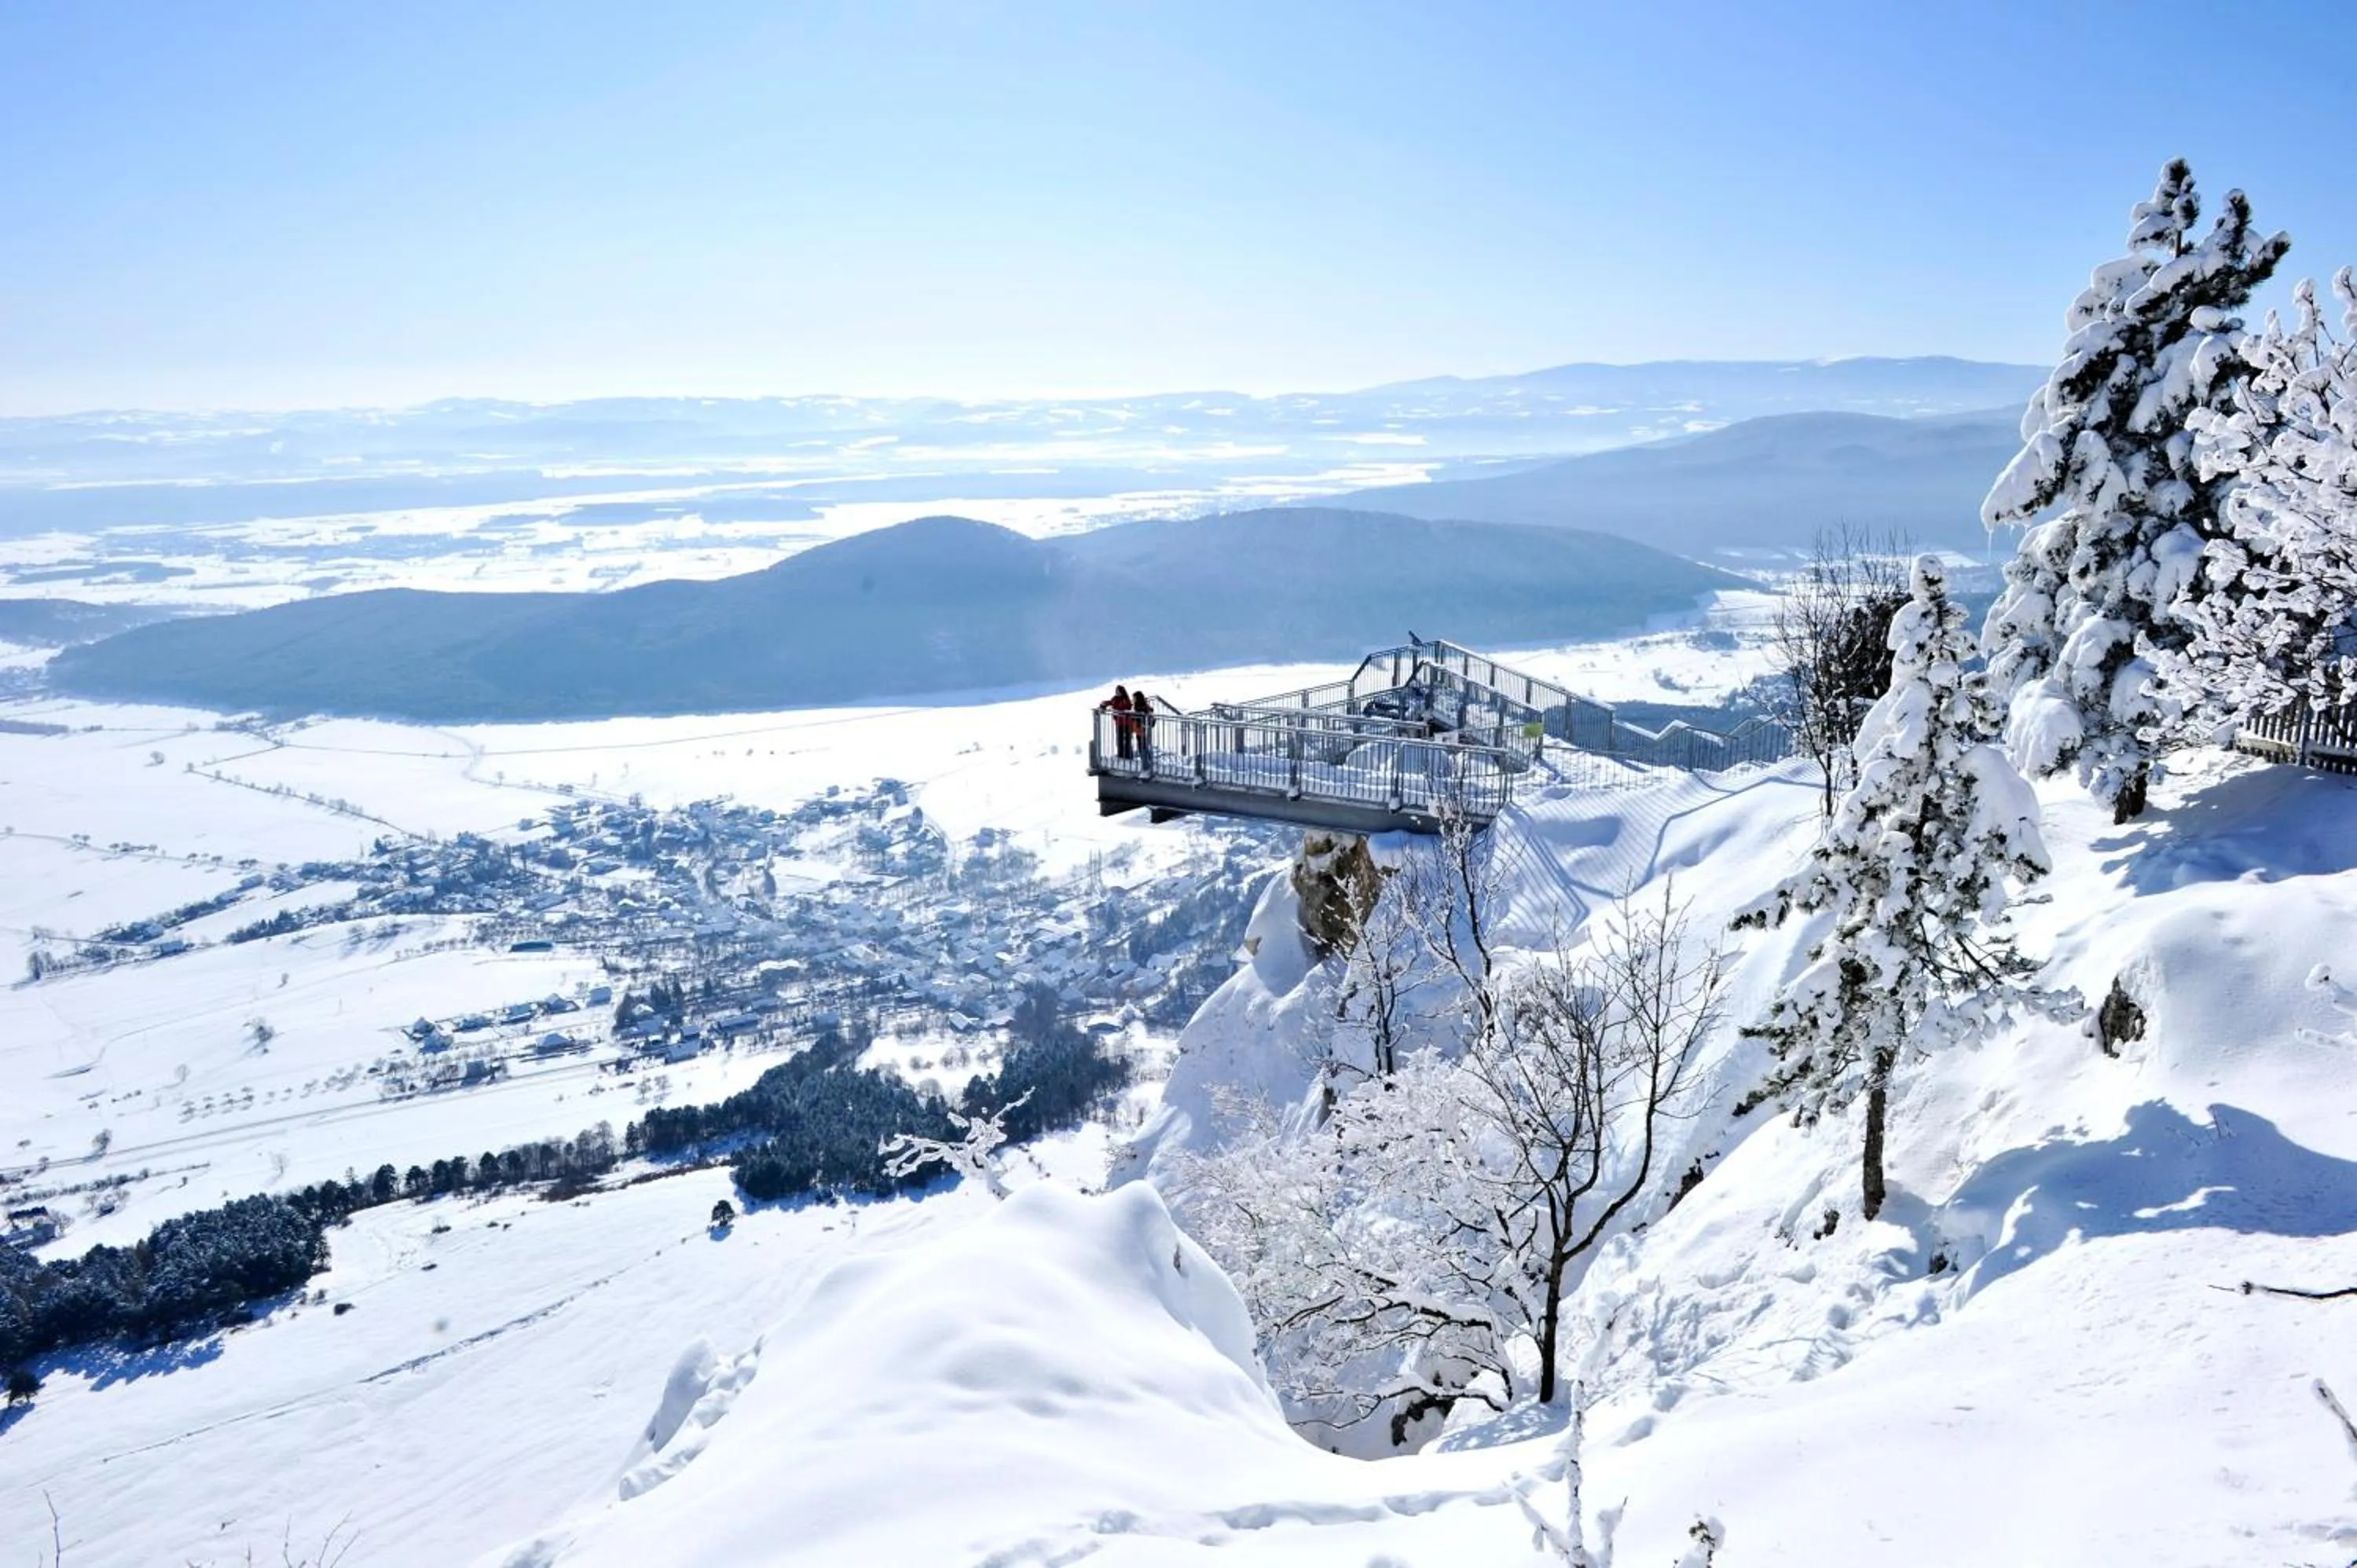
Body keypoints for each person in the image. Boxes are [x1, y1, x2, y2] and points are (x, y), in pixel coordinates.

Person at [1103, 684, 1133, 761]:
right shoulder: (1115, 699)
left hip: (1127, 723)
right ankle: (1121, 755)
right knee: (1119, 740)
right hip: (1119, 723)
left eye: (1119, 691)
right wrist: (1103, 704)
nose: (1117, 693)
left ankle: (1128, 755)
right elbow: (1110, 702)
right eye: (1116, 691)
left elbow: (1126, 707)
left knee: (1127, 739)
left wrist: (1117, 710)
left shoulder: (1126, 699)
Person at [1131, 688, 1156, 766]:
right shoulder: (1143, 704)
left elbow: (1138, 714)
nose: (1133, 699)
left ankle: (1145, 762)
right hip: (1142, 726)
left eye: (1134, 698)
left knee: (1141, 744)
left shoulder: (1138, 706)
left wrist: (1133, 715)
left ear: (1137, 698)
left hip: (1140, 727)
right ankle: (1148, 760)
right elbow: (1151, 709)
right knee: (1143, 743)